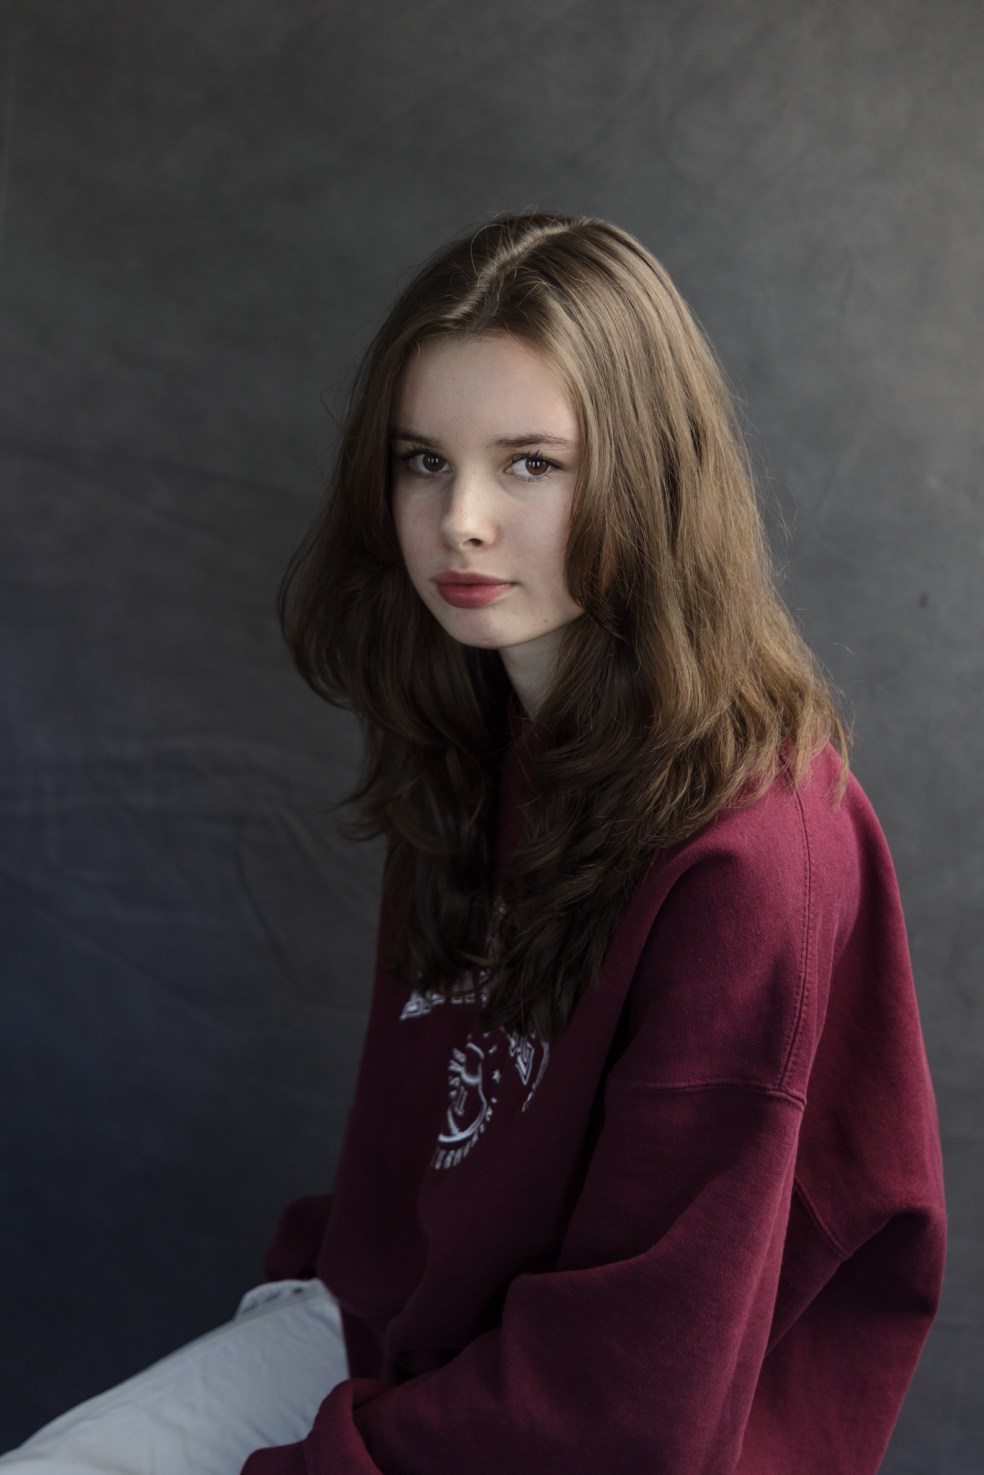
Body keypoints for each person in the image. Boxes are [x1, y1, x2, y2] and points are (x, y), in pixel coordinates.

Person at [1, 213, 945, 1474]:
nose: (461, 521)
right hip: (404, 1335)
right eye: (424, 461)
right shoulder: (476, 732)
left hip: (614, 1429)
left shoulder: (756, 852)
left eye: (531, 464)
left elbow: (636, 1398)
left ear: (648, 477)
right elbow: (414, 1181)